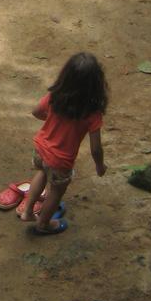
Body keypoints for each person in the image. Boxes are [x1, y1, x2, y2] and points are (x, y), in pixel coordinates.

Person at [17, 52, 108, 235]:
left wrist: (50, 120)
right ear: (97, 84)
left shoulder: (55, 97)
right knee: (56, 192)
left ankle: (27, 211)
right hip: (61, 161)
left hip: (41, 148)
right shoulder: (92, 112)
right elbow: (96, 148)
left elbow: (36, 112)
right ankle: (43, 224)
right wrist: (100, 165)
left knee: (41, 173)